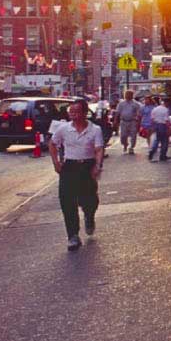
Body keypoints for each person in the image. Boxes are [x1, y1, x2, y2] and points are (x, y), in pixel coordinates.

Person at [48, 98, 104, 252]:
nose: (73, 114)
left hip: (87, 166)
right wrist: (56, 162)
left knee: (90, 200)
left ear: (85, 113)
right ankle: (73, 236)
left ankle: (89, 216)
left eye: (77, 111)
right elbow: (52, 144)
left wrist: (97, 166)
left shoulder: (95, 130)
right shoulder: (63, 129)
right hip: (69, 167)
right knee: (67, 201)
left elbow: (98, 149)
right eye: (71, 111)